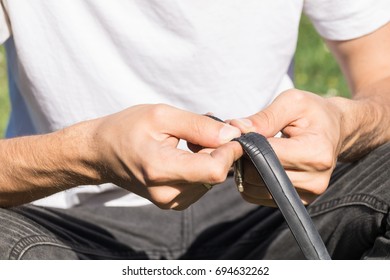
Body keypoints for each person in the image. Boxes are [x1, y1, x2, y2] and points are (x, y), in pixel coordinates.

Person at [0, 0, 389, 260]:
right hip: (64, 224)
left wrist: (345, 124)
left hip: (271, 207)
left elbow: (381, 73)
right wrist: (87, 154)